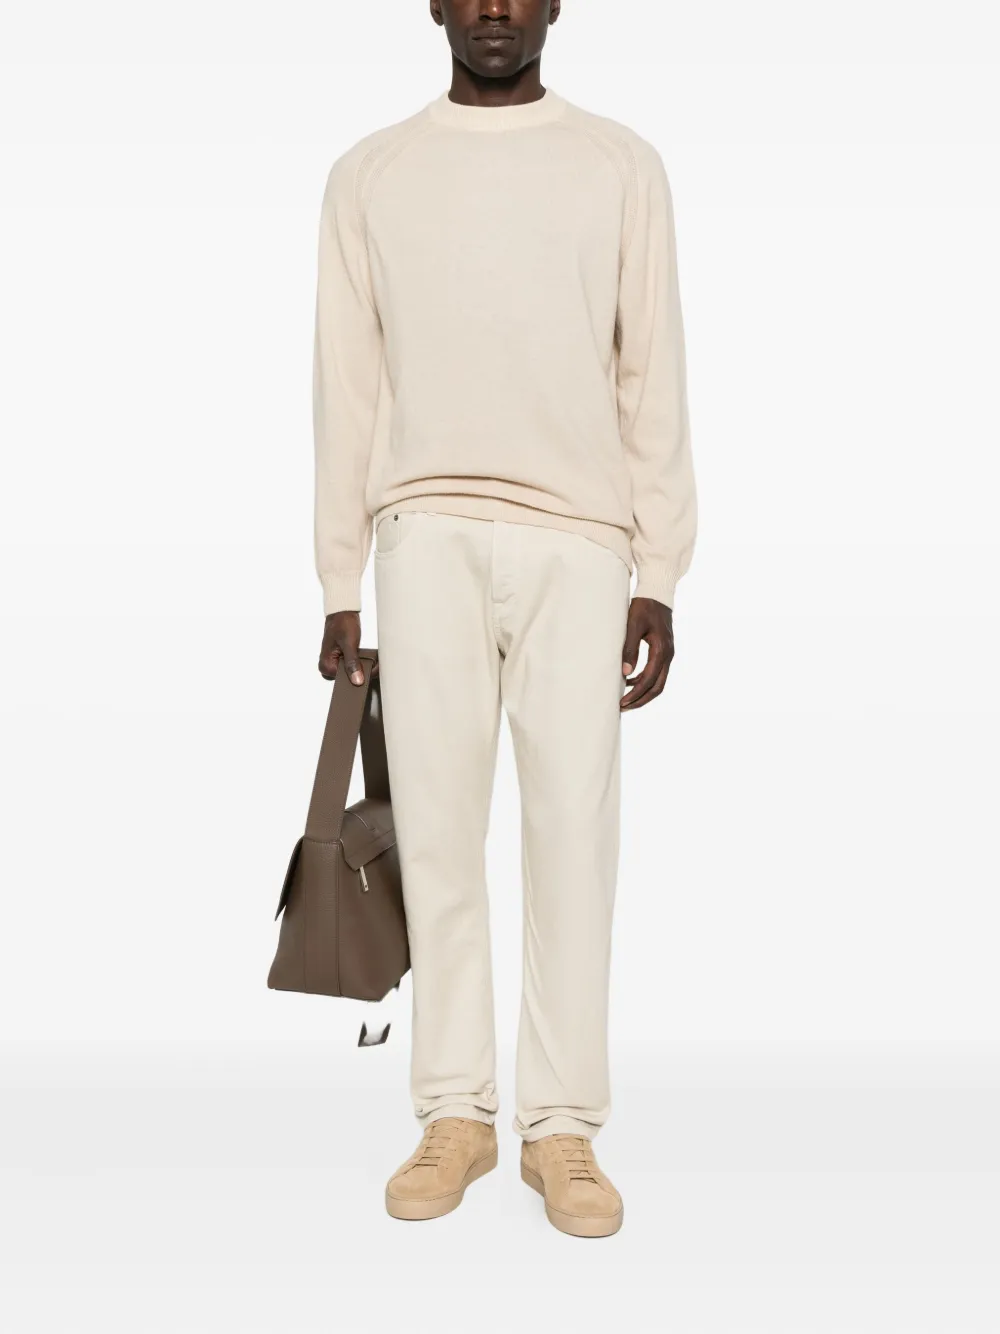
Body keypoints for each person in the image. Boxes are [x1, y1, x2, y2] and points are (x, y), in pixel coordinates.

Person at [313, 0, 696, 1238]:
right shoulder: (372, 174)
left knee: (573, 834)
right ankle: (454, 1111)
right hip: (421, 529)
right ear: (432, 3)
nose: (493, 7)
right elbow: (345, 383)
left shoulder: (618, 165)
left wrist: (659, 567)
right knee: (434, 833)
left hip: (579, 540)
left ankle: (562, 1125)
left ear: (554, 4)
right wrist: (338, 578)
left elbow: (651, 371)